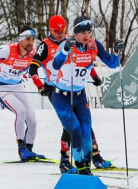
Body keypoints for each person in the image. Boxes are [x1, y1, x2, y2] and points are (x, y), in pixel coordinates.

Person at [29, 15, 114, 171]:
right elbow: (33, 67)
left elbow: (84, 61)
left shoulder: (72, 40)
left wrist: (94, 75)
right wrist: (40, 85)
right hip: (54, 88)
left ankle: (94, 156)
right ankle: (65, 159)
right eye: (56, 31)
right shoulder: (45, 45)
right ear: (50, 30)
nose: (60, 34)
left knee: (84, 126)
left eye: (62, 30)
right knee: (70, 126)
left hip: (75, 87)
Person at [50, 16, 123, 175]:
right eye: (82, 32)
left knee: (86, 129)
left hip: (79, 96)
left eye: (89, 32)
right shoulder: (66, 44)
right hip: (62, 97)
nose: (86, 35)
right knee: (74, 129)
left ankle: (86, 168)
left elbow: (112, 63)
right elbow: (55, 65)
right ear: (75, 33)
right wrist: (65, 50)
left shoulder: (94, 45)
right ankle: (79, 165)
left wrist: (117, 51)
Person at [0, 27, 44, 161]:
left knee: (32, 120)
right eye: (28, 39)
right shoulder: (7, 50)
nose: (31, 42)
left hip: (18, 86)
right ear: (21, 40)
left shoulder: (33, 54)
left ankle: (29, 149)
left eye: (33, 40)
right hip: (1, 87)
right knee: (21, 111)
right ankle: (21, 147)